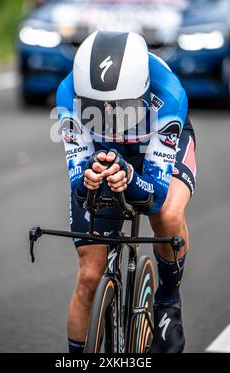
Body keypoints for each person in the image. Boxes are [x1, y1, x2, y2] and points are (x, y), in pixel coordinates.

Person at [56, 31, 196, 353]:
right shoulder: (67, 93)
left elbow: (154, 196)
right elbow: (79, 184)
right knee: (90, 274)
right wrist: (87, 180)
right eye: (98, 111)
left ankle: (168, 299)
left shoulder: (170, 95)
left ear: (144, 91)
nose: (111, 121)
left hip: (155, 140)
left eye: (123, 110)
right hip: (102, 151)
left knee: (168, 214)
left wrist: (130, 177)